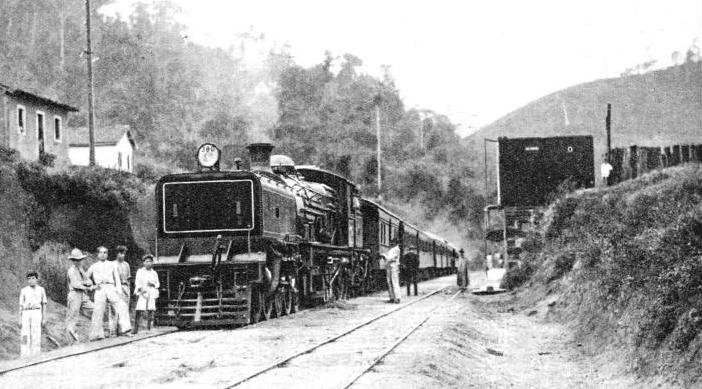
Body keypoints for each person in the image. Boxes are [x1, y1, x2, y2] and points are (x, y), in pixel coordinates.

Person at [86, 246, 132, 340]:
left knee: (122, 306)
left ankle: (125, 329)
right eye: (101, 253)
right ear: (97, 254)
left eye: (105, 253)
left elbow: (117, 279)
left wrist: (118, 290)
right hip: (100, 288)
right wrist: (92, 286)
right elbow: (85, 278)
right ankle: (97, 335)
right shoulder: (94, 266)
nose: (103, 255)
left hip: (111, 287)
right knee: (98, 310)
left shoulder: (112, 265)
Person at [65, 248, 95, 340]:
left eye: (80, 260)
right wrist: (87, 287)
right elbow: (76, 284)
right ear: (73, 261)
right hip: (74, 295)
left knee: (95, 309)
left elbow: (88, 280)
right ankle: (72, 341)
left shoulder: (80, 269)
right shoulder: (71, 270)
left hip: (83, 295)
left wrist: (89, 283)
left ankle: (95, 334)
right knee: (73, 317)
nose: (78, 262)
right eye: (76, 260)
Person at [19, 271, 47, 357]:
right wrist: (20, 319)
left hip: (36, 312)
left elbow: (44, 304)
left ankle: (36, 354)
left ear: (37, 279)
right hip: (26, 312)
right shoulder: (24, 290)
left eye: (33, 278)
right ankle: (24, 354)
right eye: (29, 279)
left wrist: (44, 318)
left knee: (36, 333)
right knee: (24, 334)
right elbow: (20, 305)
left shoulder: (41, 289)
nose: (31, 280)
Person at [133, 255, 160, 334]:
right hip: (143, 291)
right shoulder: (140, 271)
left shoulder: (154, 273)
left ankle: (148, 327)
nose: (149, 263)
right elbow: (137, 282)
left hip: (151, 291)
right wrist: (140, 289)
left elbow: (158, 284)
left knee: (150, 309)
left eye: (150, 261)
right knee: (139, 309)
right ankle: (136, 328)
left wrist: (153, 284)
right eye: (147, 262)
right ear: (143, 263)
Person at [382, 237, 402, 304]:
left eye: (393, 242)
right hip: (389, 266)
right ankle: (392, 297)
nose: (391, 243)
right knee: (389, 282)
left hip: (394, 266)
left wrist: (385, 256)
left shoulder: (397, 249)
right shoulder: (392, 249)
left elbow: (392, 258)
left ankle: (397, 298)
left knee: (394, 282)